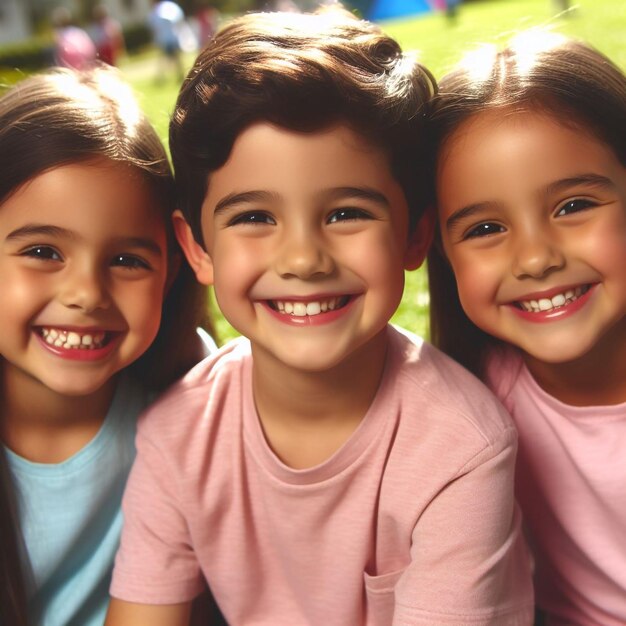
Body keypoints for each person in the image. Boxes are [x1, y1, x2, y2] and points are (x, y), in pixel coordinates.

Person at [106, 9, 534, 626]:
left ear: (415, 234)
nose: (303, 259)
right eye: (254, 217)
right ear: (196, 245)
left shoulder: (462, 449)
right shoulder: (177, 434)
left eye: (346, 213)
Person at [0, 65, 212, 626]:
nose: (87, 294)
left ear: (171, 272)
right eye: (43, 251)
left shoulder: (194, 393)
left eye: (126, 261)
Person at [426, 31, 626, 625]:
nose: (535, 258)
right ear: (441, 251)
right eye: (485, 229)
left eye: (573, 206)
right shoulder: (467, 403)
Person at [148, 0, 186, 82]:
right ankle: (176, 74)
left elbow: (154, 25)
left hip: (166, 38)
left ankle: (164, 77)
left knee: (170, 58)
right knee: (174, 58)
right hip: (172, 36)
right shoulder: (169, 6)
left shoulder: (158, 9)